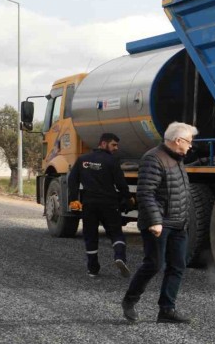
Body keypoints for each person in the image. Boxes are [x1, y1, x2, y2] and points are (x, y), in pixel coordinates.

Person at [121, 122, 198, 324]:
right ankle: (130, 301)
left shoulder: (177, 159)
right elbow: (146, 192)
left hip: (179, 223)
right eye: (189, 141)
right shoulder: (153, 158)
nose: (191, 145)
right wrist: (155, 221)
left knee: (177, 266)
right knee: (154, 264)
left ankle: (166, 310)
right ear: (178, 140)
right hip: (159, 223)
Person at [68, 133, 132, 278]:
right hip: (109, 204)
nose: (116, 148)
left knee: (90, 235)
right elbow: (121, 183)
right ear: (103, 144)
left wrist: (74, 200)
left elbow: (72, 181)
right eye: (113, 145)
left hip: (89, 204)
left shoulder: (83, 160)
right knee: (116, 233)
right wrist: (127, 199)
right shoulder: (112, 161)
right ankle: (120, 257)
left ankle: (93, 269)